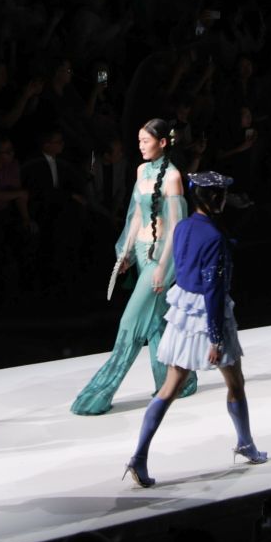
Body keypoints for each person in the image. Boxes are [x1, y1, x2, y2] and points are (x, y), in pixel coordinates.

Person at [120, 172, 269, 486]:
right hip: (207, 312)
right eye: (222, 195)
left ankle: (139, 456)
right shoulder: (214, 237)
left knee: (169, 389)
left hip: (183, 309)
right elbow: (213, 289)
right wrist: (215, 337)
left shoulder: (183, 226)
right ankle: (246, 444)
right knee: (235, 382)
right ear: (215, 198)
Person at [70, 120, 197, 414]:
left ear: (162, 143)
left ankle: (99, 395)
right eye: (139, 141)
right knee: (155, 321)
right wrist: (125, 251)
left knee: (130, 323)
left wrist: (162, 268)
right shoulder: (141, 171)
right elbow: (137, 215)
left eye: (145, 141)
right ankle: (177, 381)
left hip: (161, 256)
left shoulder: (173, 177)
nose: (140, 146)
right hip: (141, 251)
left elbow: (176, 228)